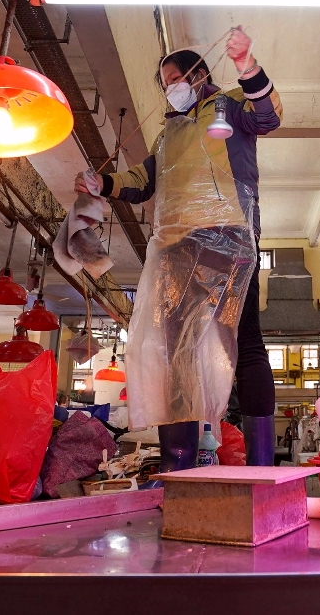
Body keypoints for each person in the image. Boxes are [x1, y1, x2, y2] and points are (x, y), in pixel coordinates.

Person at [75, 28, 281, 470]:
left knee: (245, 343)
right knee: (176, 352)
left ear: (199, 73)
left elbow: (268, 116)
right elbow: (142, 181)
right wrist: (102, 183)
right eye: (165, 83)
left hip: (229, 238)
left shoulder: (230, 106)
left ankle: (262, 463)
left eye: (176, 78)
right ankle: (178, 466)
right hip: (174, 248)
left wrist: (246, 65)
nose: (171, 87)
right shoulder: (166, 135)